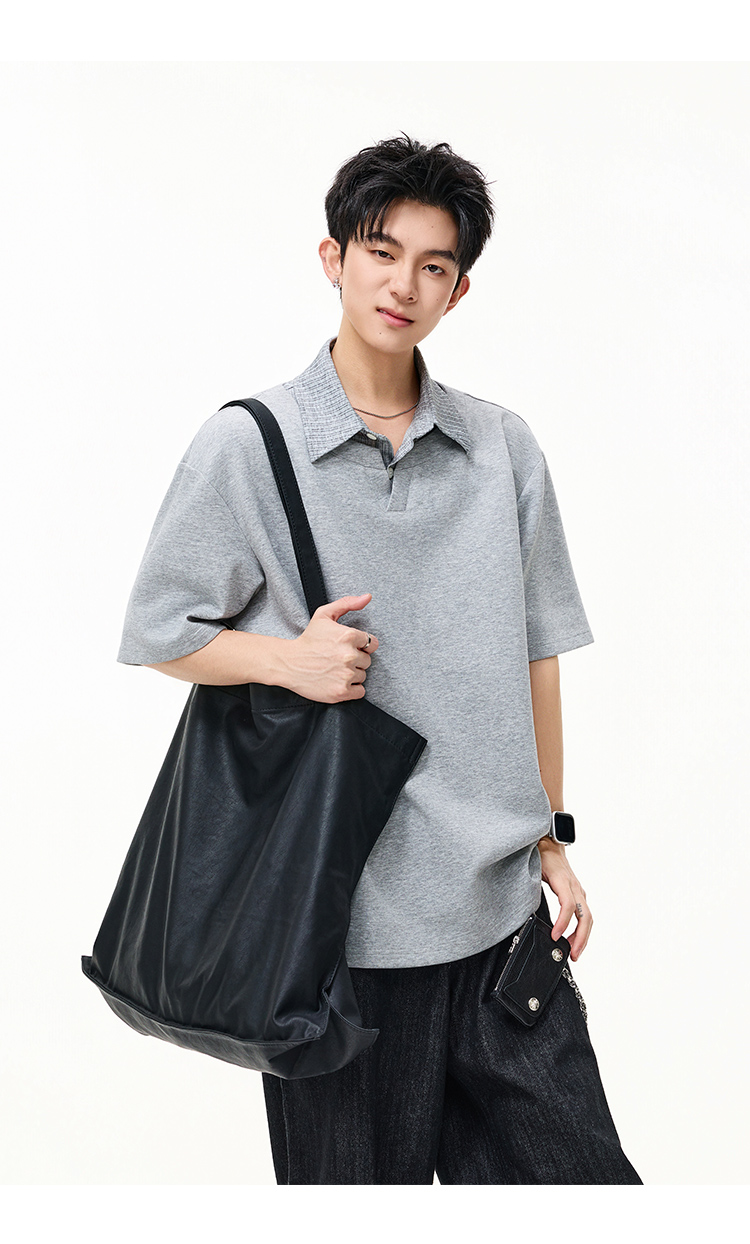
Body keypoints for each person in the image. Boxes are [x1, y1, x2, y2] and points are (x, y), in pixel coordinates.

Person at [116, 134, 643, 1185]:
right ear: (334, 258)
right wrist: (287, 660)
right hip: (338, 947)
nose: (404, 284)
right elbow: (162, 631)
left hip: (499, 927)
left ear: (458, 289)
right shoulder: (251, 445)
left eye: (434, 265)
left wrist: (551, 834)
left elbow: (537, 655)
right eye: (381, 250)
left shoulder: (502, 448)